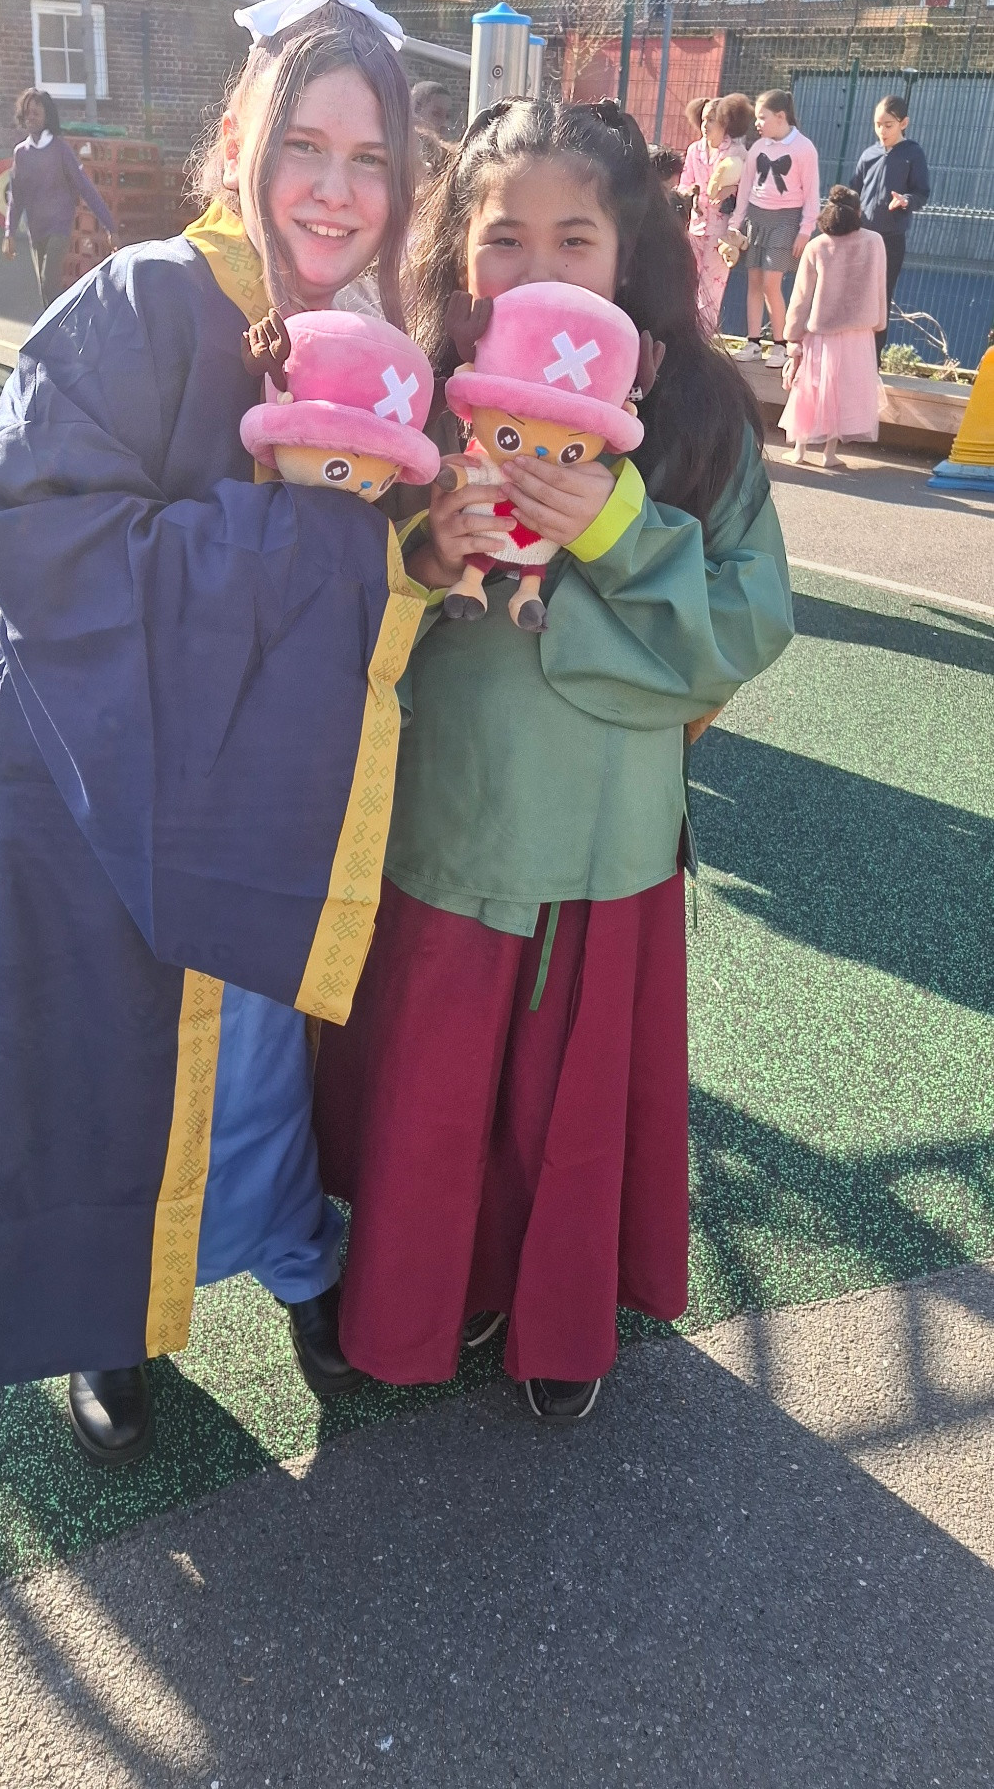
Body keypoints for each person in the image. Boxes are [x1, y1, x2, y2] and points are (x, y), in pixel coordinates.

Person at [0, 0, 424, 1467]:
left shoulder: (375, 339)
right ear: (242, 139)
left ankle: (296, 1260)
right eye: (304, 146)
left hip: (247, 768)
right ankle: (105, 1316)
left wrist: (424, 550)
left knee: (254, 1045)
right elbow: (39, 521)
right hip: (76, 751)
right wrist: (303, 536)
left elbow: (373, 563)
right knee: (103, 1050)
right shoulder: (143, 296)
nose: (335, 191)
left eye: (370, 158)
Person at [312, 98, 795, 1423]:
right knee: (436, 1090)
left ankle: (561, 1314)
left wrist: (624, 530)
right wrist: (423, 555)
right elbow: (322, 611)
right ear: (456, 261)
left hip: (604, 845)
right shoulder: (412, 397)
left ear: (629, 251)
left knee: (565, 1104)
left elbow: (749, 623)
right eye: (502, 239)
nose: (537, 270)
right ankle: (438, 1290)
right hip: (446, 829)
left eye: (573, 238)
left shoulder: (696, 413)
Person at [778, 184, 886, 472]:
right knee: (845, 391)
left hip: (821, 333)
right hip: (859, 333)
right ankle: (829, 453)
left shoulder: (817, 245)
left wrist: (792, 336)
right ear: (858, 212)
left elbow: (801, 297)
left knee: (810, 389)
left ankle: (799, 449)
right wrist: (878, 322)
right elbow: (880, 286)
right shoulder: (874, 242)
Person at [728, 89, 820, 369]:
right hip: (756, 218)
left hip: (785, 220)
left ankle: (781, 344)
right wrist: (735, 224)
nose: (757, 123)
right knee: (754, 281)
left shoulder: (804, 148)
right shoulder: (758, 147)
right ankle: (753, 342)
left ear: (781, 116)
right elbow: (745, 188)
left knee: (771, 283)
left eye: (762, 117)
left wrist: (805, 230)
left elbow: (812, 193)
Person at [2, 88, 117, 308]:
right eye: (27, 113)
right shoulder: (21, 153)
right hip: (36, 230)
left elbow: (85, 187)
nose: (31, 117)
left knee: (49, 282)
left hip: (59, 227)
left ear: (47, 116)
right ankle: (58, 326)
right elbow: (16, 196)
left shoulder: (60, 149)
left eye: (36, 112)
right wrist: (10, 233)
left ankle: (63, 323)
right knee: (44, 290)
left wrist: (110, 227)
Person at [850, 95, 930, 364]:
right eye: (878, 125)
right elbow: (854, 190)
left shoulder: (913, 153)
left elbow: (922, 192)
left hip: (891, 240)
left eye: (888, 125)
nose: (882, 131)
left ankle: (872, 360)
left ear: (903, 123)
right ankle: (850, 354)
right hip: (862, 237)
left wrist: (906, 200)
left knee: (880, 297)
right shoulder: (868, 154)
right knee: (856, 294)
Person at [678, 93, 752, 336]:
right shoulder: (694, 150)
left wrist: (733, 227)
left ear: (725, 122)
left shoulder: (738, 153)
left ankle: (704, 337)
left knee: (712, 288)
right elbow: (684, 183)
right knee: (688, 282)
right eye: (703, 119)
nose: (705, 125)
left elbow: (745, 195)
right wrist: (690, 195)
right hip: (695, 227)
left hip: (722, 232)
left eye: (711, 120)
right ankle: (685, 333)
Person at [411, 80, 456, 174]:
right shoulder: (396, 153)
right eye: (436, 113)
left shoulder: (451, 162)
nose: (445, 123)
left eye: (447, 116)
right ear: (416, 110)